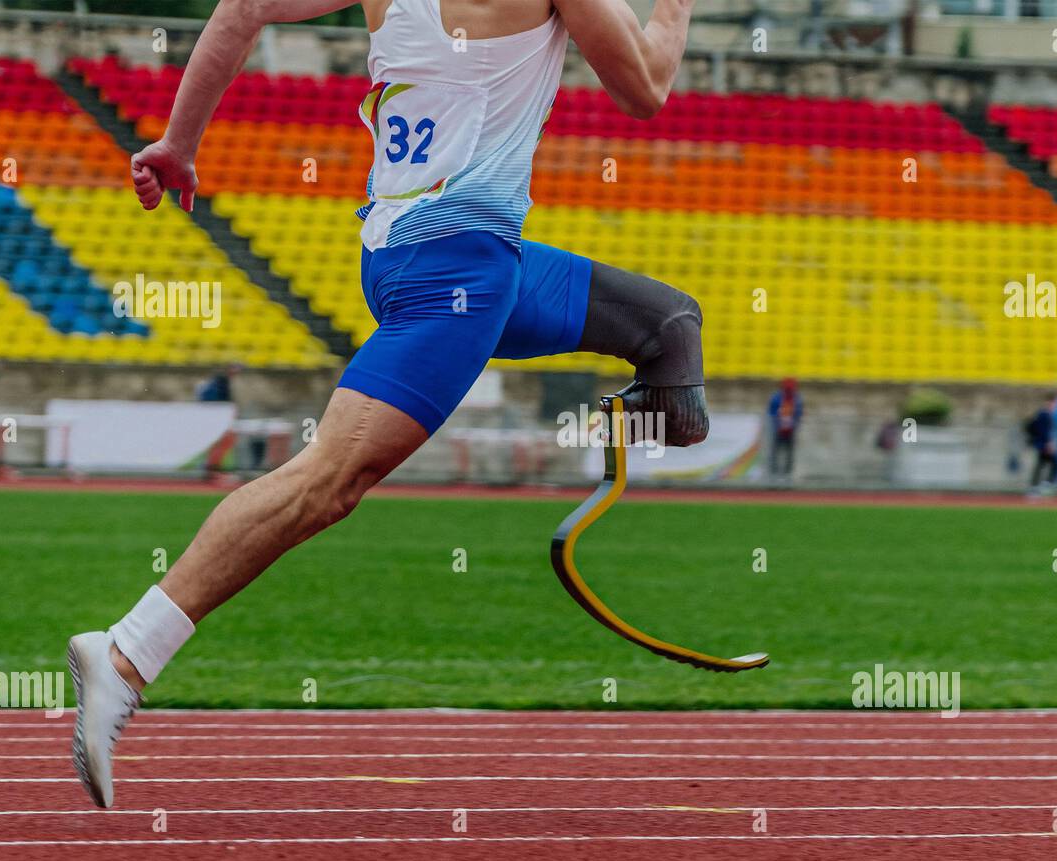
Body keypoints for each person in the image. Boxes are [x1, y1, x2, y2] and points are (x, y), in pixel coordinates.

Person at [68, 0, 708, 809]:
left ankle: (643, 425)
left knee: (669, 327)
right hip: (460, 274)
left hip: (418, 254)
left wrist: (179, 144)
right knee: (326, 482)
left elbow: (244, 6)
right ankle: (124, 655)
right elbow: (646, 90)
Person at [767, 377, 802, 480]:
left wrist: (794, 424)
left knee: (789, 456)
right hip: (778, 430)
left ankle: (787, 478)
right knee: (774, 454)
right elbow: (771, 412)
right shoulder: (777, 398)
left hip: (790, 431)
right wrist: (777, 422)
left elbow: (799, 413)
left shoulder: (796, 398)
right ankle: (773, 477)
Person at [1024, 392, 1056, 491]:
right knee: (1051, 464)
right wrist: (1048, 443)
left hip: (1042, 444)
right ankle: (1040, 485)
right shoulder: (1044, 414)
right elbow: (1043, 431)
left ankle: (1038, 485)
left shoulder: (1046, 414)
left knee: (1043, 464)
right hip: (1043, 444)